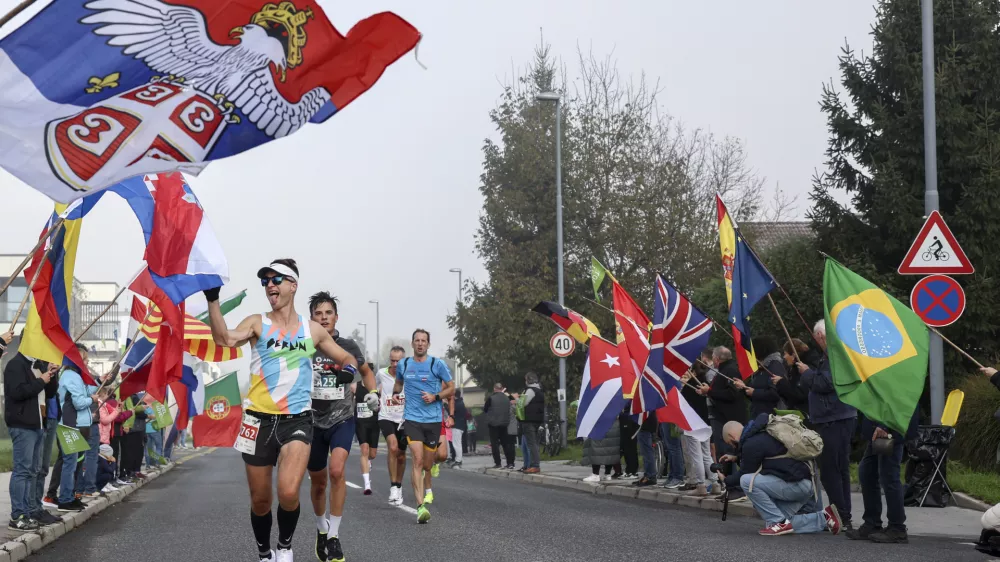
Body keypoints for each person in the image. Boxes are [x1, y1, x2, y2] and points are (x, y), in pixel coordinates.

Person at [204, 260, 361, 562]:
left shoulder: (311, 329)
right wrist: (213, 300)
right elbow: (224, 339)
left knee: (289, 492)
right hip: (257, 421)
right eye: (265, 282)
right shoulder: (256, 322)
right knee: (261, 500)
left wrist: (347, 371)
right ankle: (265, 552)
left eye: (277, 279)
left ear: (293, 285)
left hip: (297, 420)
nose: (270, 286)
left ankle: (285, 546)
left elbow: (347, 357)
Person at [302, 291, 376, 562]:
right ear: (312, 319)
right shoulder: (304, 346)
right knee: (318, 482)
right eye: (318, 314)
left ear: (336, 317)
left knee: (336, 471)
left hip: (342, 418)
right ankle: (322, 529)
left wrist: (374, 393)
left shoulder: (347, 346)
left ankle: (333, 537)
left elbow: (366, 372)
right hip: (311, 422)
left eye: (328, 313)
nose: (324, 318)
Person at [722, 416, 841, 536]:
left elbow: (745, 472)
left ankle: (780, 523)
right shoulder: (761, 433)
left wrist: (726, 480)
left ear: (732, 436)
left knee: (746, 481)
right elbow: (759, 458)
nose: (733, 447)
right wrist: (736, 457)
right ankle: (825, 518)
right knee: (774, 524)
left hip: (797, 485)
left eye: (730, 444)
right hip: (804, 484)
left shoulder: (751, 443)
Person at [391, 329, 455, 524]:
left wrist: (435, 397)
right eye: (417, 340)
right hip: (412, 419)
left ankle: (431, 471)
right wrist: (395, 393)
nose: (420, 344)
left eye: (423, 341)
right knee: (417, 461)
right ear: (412, 344)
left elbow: (452, 388)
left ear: (428, 344)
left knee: (428, 463)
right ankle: (420, 507)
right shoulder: (404, 363)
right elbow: (399, 382)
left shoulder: (437, 364)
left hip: (433, 420)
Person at [799, 320, 857, 531]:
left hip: (833, 417)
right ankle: (843, 515)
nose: (816, 342)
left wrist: (806, 373)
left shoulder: (834, 354)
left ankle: (840, 516)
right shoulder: (834, 353)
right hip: (837, 416)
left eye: (816, 338)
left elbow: (826, 383)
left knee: (831, 470)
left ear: (821, 336)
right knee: (838, 468)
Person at [845, 411, 916, 544]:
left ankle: (897, 528)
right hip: (881, 426)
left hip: (891, 426)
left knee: (889, 476)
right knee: (867, 472)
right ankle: (872, 523)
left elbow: (894, 399)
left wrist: (884, 426)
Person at [4, 353, 57, 531]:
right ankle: (17, 515)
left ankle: (28, 512)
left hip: (38, 424)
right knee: (23, 470)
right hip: (22, 425)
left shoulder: (38, 365)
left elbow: (50, 393)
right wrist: (41, 380)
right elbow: (17, 392)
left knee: (33, 470)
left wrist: (51, 374)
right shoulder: (16, 364)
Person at [706, 346, 748, 497]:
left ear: (717, 359)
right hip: (722, 418)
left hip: (728, 419)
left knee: (728, 452)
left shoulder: (730, 370)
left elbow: (732, 394)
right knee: (725, 453)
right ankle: (730, 487)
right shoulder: (724, 370)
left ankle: (735, 488)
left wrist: (710, 392)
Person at [377, 347, 407, 506]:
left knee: (401, 455)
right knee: (393, 448)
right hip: (385, 416)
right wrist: (373, 396)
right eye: (392, 360)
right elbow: (373, 386)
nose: (395, 364)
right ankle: (393, 486)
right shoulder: (381, 373)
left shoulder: (409, 375)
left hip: (403, 418)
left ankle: (399, 485)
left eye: (398, 361)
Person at [733, 336, 783, 419]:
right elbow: (756, 390)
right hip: (758, 414)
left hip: (770, 416)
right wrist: (744, 387)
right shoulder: (761, 367)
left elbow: (776, 393)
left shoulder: (774, 366)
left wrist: (754, 392)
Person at [681, 365, 713, 496]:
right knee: (707, 454)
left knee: (696, 455)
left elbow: (682, 402)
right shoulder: (706, 380)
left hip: (693, 423)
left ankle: (701, 485)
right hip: (706, 422)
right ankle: (715, 482)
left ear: (692, 371)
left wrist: (683, 386)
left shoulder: (691, 384)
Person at [355, 364, 380, 496]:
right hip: (361, 423)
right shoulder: (355, 386)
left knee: (372, 454)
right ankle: (367, 484)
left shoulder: (377, 388)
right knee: (364, 449)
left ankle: (369, 461)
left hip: (374, 423)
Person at [773, 339, 813, 417]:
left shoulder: (804, 369)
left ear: (793, 355)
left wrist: (781, 382)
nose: (784, 357)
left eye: (785, 353)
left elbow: (799, 394)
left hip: (807, 415)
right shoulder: (793, 369)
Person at [483, 383, 514, 469]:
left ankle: (498, 463)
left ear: (494, 389)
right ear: (502, 389)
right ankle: (510, 463)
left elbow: (485, 409)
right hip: (505, 423)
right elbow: (513, 400)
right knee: (506, 443)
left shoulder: (491, 398)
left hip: (493, 424)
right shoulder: (507, 398)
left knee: (495, 444)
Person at [519, 373, 544, 474]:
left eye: (525, 379)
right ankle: (531, 464)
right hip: (537, 419)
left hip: (529, 419)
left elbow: (523, 403)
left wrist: (517, 398)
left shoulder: (530, 390)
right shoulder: (539, 390)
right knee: (532, 443)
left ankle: (535, 465)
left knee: (531, 443)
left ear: (528, 380)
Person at [634, 415, 660, 487]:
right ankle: (648, 474)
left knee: (647, 453)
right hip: (646, 426)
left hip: (645, 426)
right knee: (646, 453)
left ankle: (650, 476)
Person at [619, 407, 640, 479]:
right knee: (625, 448)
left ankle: (633, 471)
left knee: (631, 447)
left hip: (631, 420)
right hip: (624, 419)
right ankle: (628, 470)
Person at [450, 390, 468, 469]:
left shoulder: (457, 404)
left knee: (456, 444)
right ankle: (458, 459)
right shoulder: (461, 402)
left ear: (454, 395)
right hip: (460, 426)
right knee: (457, 443)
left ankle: (458, 460)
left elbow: (451, 412)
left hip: (457, 426)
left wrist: (445, 404)